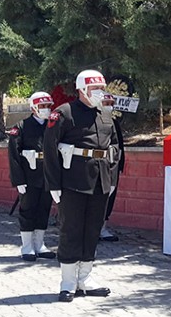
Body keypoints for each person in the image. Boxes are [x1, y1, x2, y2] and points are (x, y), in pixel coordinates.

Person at [43, 69, 121, 302]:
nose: (99, 93)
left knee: (92, 230)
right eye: (94, 89)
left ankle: (85, 279)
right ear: (81, 90)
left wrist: (112, 179)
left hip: (100, 182)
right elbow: (49, 150)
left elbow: (114, 149)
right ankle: (68, 282)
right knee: (71, 230)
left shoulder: (106, 115)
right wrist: (54, 185)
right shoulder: (64, 113)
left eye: (101, 88)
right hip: (73, 182)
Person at [7, 92, 56, 261]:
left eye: (48, 106)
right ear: (33, 107)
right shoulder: (21, 127)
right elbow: (13, 155)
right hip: (29, 176)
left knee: (44, 209)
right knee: (28, 210)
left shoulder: (52, 126)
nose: (46, 110)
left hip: (47, 176)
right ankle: (27, 246)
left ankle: (40, 244)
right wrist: (18, 180)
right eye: (42, 106)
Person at [99, 93, 125, 242]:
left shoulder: (114, 121)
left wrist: (119, 164)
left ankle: (103, 227)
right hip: (97, 166)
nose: (109, 105)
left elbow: (118, 145)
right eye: (105, 102)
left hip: (112, 166)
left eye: (111, 102)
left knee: (110, 199)